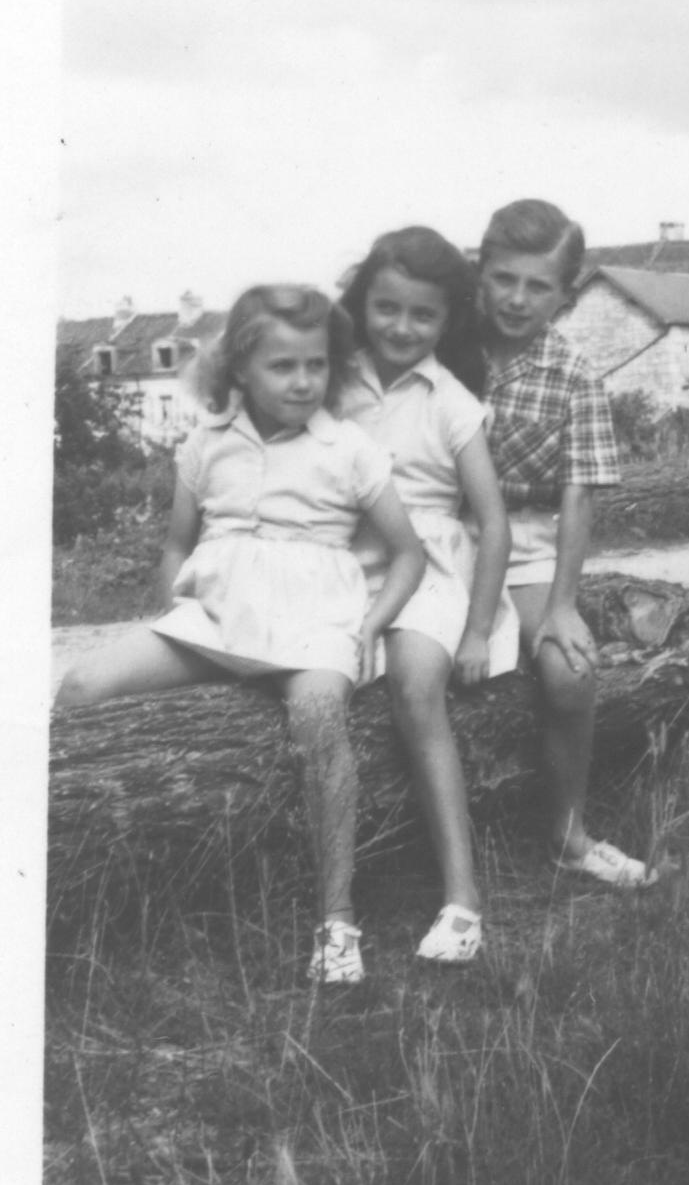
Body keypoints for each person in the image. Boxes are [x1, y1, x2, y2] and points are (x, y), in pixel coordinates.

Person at [54, 285, 425, 985]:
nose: (303, 381)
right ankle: (69, 884)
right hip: (215, 616)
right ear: (240, 371)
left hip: (315, 621)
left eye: (316, 364)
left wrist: (372, 624)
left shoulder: (348, 447)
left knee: (319, 718)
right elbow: (177, 544)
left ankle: (337, 920)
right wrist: (171, 614)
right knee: (79, 684)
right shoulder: (208, 443)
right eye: (283, 366)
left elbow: (408, 553)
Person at [338, 227, 519, 964]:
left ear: (448, 322)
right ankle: (332, 899)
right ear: (362, 304)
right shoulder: (334, 382)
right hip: (344, 561)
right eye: (387, 308)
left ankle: (461, 899)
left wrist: (476, 630)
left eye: (423, 315)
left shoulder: (452, 401)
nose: (402, 327)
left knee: (416, 684)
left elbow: (494, 521)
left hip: (433, 566)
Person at [475, 198, 656, 888]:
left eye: (538, 286)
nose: (516, 299)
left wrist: (560, 605)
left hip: (525, 541)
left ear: (566, 295)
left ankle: (569, 836)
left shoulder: (574, 375)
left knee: (569, 672)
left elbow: (579, 496)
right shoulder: (450, 347)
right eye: (504, 278)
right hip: (440, 531)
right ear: (481, 271)